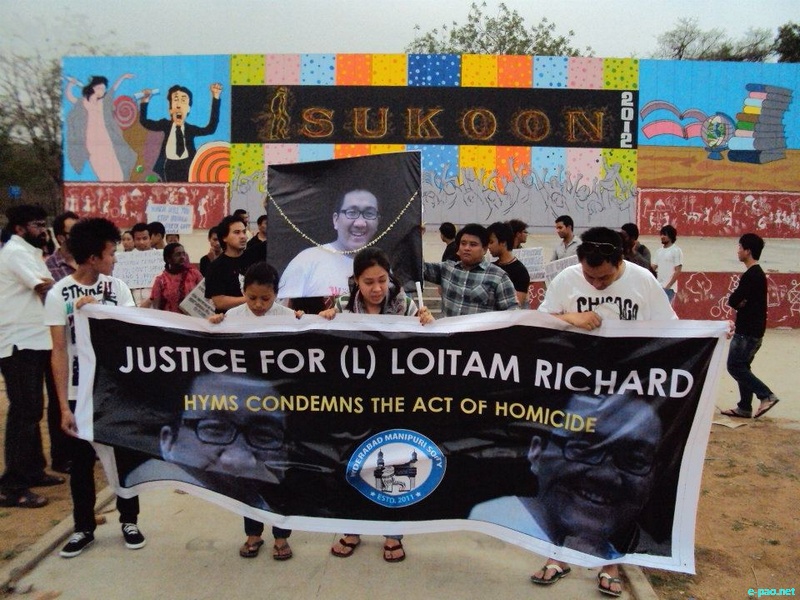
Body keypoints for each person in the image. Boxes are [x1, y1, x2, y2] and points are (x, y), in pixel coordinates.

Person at [532, 226, 677, 596]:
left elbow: (673, 332)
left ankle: (608, 562)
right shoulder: (567, 279)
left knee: (611, 482)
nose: (595, 284)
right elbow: (537, 322)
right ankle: (558, 556)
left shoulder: (643, 281)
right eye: (589, 276)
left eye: (604, 278)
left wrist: (715, 335)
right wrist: (572, 318)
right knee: (568, 476)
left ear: (619, 261)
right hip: (575, 395)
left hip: (626, 399)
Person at [319, 247, 432, 562]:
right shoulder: (342, 306)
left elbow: (427, 347)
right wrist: (323, 321)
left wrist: (428, 323)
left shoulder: (406, 306)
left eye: (382, 280)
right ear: (356, 280)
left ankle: (392, 533)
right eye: (368, 282)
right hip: (354, 402)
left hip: (395, 402)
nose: (377, 288)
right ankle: (352, 527)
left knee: (393, 464)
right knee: (351, 464)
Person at [44, 217, 145, 557]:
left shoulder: (117, 289)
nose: (115, 259)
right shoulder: (59, 294)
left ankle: (129, 520)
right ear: (92, 257)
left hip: (114, 391)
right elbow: (59, 351)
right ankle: (83, 527)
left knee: (122, 456)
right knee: (81, 462)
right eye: (111, 253)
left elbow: (131, 333)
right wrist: (63, 405)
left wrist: (100, 311)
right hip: (79, 392)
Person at [469, 393, 667, 561]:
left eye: (635, 460)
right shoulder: (489, 531)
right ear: (537, 451)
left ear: (654, 477)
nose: (606, 475)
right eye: (585, 449)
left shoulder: (612, 559)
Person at [207, 263, 301, 560]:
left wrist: (308, 322)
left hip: (279, 413)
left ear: (277, 294)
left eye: (266, 299)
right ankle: (253, 533)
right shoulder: (231, 318)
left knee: (278, 474)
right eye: (252, 298)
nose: (258, 305)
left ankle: (281, 536)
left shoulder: (289, 318)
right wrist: (211, 326)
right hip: (242, 413)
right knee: (247, 475)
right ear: (243, 292)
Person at [0, 205, 62, 509]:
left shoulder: (31, 252)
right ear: (20, 228)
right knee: (24, 411)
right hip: (18, 342)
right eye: (37, 225)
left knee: (34, 408)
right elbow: (44, 287)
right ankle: (11, 486)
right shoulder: (15, 252)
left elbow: (49, 286)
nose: (43, 231)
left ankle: (34, 470)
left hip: (35, 340)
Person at [279, 189, 381, 300]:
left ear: (377, 222)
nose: (360, 223)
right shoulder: (306, 261)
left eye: (369, 214)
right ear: (336, 220)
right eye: (352, 213)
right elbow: (282, 308)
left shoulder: (382, 267)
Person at [720, 233, 780, 419]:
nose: (738, 251)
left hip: (747, 332)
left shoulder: (751, 275)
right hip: (754, 330)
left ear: (748, 251)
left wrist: (739, 303)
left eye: (740, 247)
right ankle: (744, 407)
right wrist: (741, 303)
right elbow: (740, 301)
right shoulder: (757, 274)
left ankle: (766, 395)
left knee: (735, 366)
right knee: (743, 366)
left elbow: (733, 300)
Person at [44, 211, 81, 475]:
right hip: (58, 341)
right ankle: (61, 455)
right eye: (73, 232)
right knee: (60, 398)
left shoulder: (86, 263)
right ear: (60, 237)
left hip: (83, 345)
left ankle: (82, 447)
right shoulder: (48, 267)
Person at [423, 223, 518, 317]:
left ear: (484, 249)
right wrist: (417, 237)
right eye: (463, 243)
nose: (467, 248)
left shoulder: (498, 277)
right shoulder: (447, 269)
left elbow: (512, 314)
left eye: (473, 244)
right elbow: (419, 269)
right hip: (448, 327)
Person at [139, 83, 222, 182]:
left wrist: (216, 96)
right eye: (175, 100)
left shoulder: (190, 130)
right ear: (170, 109)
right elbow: (144, 122)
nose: (178, 105)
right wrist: (145, 101)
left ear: (188, 109)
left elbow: (211, 129)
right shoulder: (164, 125)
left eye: (183, 101)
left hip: (187, 166)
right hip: (167, 167)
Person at [65, 74, 136, 181]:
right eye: (101, 88)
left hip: (105, 138)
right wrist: (71, 84)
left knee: (113, 163)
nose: (103, 91)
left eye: (104, 89)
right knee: (99, 165)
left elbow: (112, 90)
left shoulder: (102, 102)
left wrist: (122, 77)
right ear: (94, 88)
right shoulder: (83, 102)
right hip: (91, 140)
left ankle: (119, 184)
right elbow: (70, 97)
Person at [204, 215, 256, 312]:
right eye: (237, 232)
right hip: (228, 319)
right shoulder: (216, 267)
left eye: (244, 232)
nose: (243, 236)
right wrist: (252, 299)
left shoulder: (255, 259)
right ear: (224, 237)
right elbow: (219, 302)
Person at [149, 243, 203, 313]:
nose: (182, 257)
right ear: (168, 259)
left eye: (183, 254)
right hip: (169, 318)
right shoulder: (160, 280)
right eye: (178, 254)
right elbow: (156, 308)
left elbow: (205, 296)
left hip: (192, 318)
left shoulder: (194, 274)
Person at [487, 221, 530, 307]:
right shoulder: (491, 267)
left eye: (491, 242)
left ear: (503, 242)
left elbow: (517, 305)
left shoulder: (520, 271)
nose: (489, 246)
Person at [653, 224, 682, 304]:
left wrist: (668, 286)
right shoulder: (658, 251)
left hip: (669, 289)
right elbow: (653, 268)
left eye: (665, 235)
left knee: (665, 310)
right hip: (658, 287)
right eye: (661, 234)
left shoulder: (676, 250)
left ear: (671, 236)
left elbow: (678, 271)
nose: (662, 236)